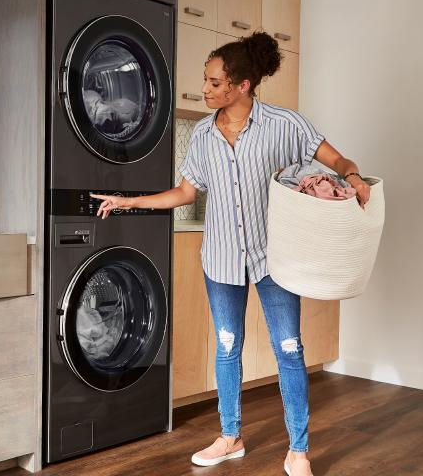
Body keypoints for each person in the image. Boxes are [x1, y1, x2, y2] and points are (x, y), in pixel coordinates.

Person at [91, 32, 370, 476]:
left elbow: (337, 161)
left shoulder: (285, 124)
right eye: (205, 80)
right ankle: (230, 437)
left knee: (289, 348)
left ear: (242, 85)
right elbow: (185, 192)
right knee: (227, 347)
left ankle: (299, 451)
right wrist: (129, 201)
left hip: (274, 260)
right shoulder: (202, 134)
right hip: (221, 260)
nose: (205, 89)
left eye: (214, 82)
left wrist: (354, 177)